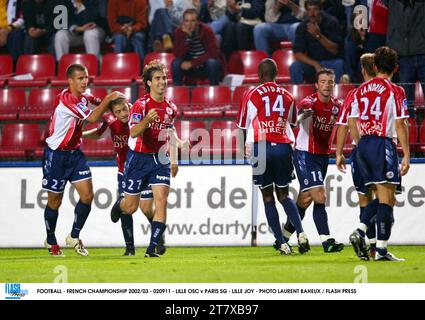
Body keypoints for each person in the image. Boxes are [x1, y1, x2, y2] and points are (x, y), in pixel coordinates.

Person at [83, 97, 187, 256]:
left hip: (147, 165)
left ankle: (157, 238)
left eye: (124, 109)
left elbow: (167, 130)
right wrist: (80, 134)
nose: (123, 114)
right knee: (129, 208)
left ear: (130, 106)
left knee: (146, 208)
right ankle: (130, 248)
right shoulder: (113, 125)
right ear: (113, 114)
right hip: (125, 170)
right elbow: (98, 134)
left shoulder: (140, 117)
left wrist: (175, 152)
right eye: (117, 112)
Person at [42, 64, 124, 256]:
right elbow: (94, 116)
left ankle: (73, 236)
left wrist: (120, 107)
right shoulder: (66, 99)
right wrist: (109, 99)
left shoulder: (85, 97)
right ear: (69, 80)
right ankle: (51, 239)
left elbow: (102, 104)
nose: (84, 81)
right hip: (56, 155)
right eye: (80, 78)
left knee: (87, 196)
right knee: (55, 201)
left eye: (86, 77)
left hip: (75, 153)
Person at [343, 46, 410, 261]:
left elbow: (352, 121)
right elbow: (400, 124)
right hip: (382, 144)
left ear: (373, 66)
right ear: (396, 68)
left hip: (362, 145)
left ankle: (379, 249)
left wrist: (359, 145)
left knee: (385, 198)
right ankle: (362, 232)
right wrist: (406, 154)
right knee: (387, 198)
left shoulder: (359, 90)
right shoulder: (395, 90)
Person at [236, 58, 310, 255]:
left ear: (260, 75)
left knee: (268, 197)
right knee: (284, 195)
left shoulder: (251, 94)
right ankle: (301, 233)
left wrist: (244, 145)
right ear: (276, 74)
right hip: (283, 146)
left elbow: (242, 125)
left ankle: (282, 242)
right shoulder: (287, 95)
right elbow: (293, 122)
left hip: (261, 147)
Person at [110, 60, 179, 258]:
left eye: (164, 78)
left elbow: (169, 132)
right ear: (149, 83)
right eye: (157, 78)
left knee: (161, 201)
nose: (162, 82)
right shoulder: (141, 105)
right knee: (131, 207)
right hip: (138, 159)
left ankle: (152, 248)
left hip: (160, 160)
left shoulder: (170, 108)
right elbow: (133, 132)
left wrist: (174, 158)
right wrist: (147, 120)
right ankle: (119, 204)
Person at [283, 68, 345, 253]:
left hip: (323, 156)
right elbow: (300, 118)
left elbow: (344, 126)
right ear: (316, 85)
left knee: (305, 199)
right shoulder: (308, 102)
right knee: (320, 195)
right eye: (323, 81)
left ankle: (283, 238)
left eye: (331, 82)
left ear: (334, 84)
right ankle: (327, 242)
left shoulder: (337, 106)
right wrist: (303, 118)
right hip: (305, 154)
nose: (327, 85)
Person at [336, 53, 379, 260]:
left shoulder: (355, 94)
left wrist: (338, 153)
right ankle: (374, 245)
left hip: (359, 150)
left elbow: (344, 124)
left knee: (364, 198)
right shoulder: (385, 91)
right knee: (384, 196)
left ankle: (367, 246)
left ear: (362, 70)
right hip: (379, 148)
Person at [290, 0, 344, 84]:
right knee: (295, 66)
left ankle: (337, 94)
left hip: (331, 61)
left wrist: (318, 35)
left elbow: (335, 50)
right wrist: (315, 64)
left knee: (340, 64)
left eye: (315, 9)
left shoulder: (332, 22)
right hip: (313, 63)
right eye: (309, 10)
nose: (312, 14)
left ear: (321, 10)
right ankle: (299, 95)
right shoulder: (303, 27)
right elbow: (298, 54)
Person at [172, 8, 221, 85]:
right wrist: (188, 38)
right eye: (186, 21)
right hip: (189, 67)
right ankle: (178, 92)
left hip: (204, 65)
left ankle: (215, 91)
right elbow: (178, 54)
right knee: (176, 63)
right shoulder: (179, 32)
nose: (189, 24)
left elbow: (214, 52)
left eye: (192, 21)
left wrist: (193, 63)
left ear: (198, 22)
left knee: (212, 62)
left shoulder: (207, 30)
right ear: (183, 22)